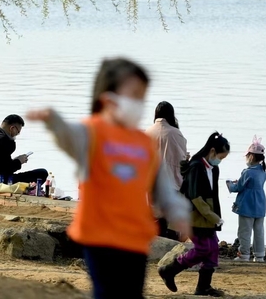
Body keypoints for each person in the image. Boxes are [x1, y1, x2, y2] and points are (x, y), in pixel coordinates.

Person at [27, 58, 190, 299]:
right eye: (133, 96)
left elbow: (162, 184)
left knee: (132, 293)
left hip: (135, 236)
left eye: (141, 98)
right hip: (99, 235)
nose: (138, 104)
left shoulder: (143, 141)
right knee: (106, 292)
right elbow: (70, 138)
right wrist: (55, 122)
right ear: (108, 97)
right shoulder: (93, 133)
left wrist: (178, 212)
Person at [159, 132, 230, 298]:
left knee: (213, 249)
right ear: (212, 151)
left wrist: (215, 216)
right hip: (193, 215)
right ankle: (169, 270)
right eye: (221, 156)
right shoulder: (196, 167)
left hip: (207, 215)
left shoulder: (214, 168)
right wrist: (214, 217)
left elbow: (213, 195)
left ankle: (203, 287)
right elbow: (195, 197)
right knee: (204, 248)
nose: (220, 160)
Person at [145, 101, 188, 240]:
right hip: (172, 183)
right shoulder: (176, 134)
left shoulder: (147, 133)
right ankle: (171, 249)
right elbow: (181, 160)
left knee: (155, 219)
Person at [0, 114, 48, 191]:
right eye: (18, 132)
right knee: (42, 173)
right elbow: (7, 169)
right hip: (0, 184)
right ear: (12, 128)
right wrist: (19, 161)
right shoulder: (5, 141)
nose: (17, 134)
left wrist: (15, 160)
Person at [228, 135, 266, 263]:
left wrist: (229, 183)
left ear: (251, 156)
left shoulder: (248, 172)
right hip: (260, 205)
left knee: (244, 231)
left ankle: (244, 254)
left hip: (247, 205)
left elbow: (238, 187)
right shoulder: (262, 171)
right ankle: (259, 255)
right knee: (259, 231)